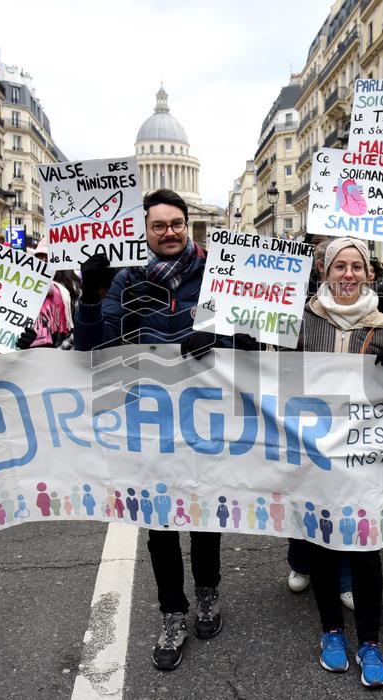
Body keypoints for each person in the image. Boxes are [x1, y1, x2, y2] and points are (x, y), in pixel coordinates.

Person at [74, 188, 245, 672]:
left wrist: (221, 333)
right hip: (147, 422)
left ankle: (208, 590)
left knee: (206, 511)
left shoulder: (221, 273)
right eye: (158, 225)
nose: (168, 232)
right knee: (160, 524)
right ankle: (173, 611)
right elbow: (93, 350)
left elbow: (256, 340)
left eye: (176, 224)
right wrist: (90, 295)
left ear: (188, 225)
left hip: (208, 417)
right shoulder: (126, 281)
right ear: (144, 231)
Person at [299, 223, 383, 689]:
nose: (347, 274)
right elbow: (269, 374)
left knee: (368, 552)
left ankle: (369, 640)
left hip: (371, 460)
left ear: (369, 274)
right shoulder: (301, 320)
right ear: (324, 272)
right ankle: (332, 631)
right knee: (323, 546)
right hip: (316, 454)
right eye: (338, 266)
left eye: (356, 266)